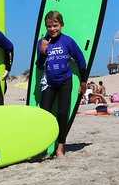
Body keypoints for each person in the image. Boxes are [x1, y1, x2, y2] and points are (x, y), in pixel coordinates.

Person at [36, 10, 87, 157]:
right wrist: (43, 52)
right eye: (49, 26)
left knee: (63, 114)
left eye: (55, 25)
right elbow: (39, 66)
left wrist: (83, 82)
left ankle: (60, 147)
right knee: (45, 115)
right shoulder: (43, 42)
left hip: (65, 81)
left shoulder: (68, 41)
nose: (52, 29)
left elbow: (81, 62)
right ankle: (43, 147)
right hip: (49, 83)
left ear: (62, 25)